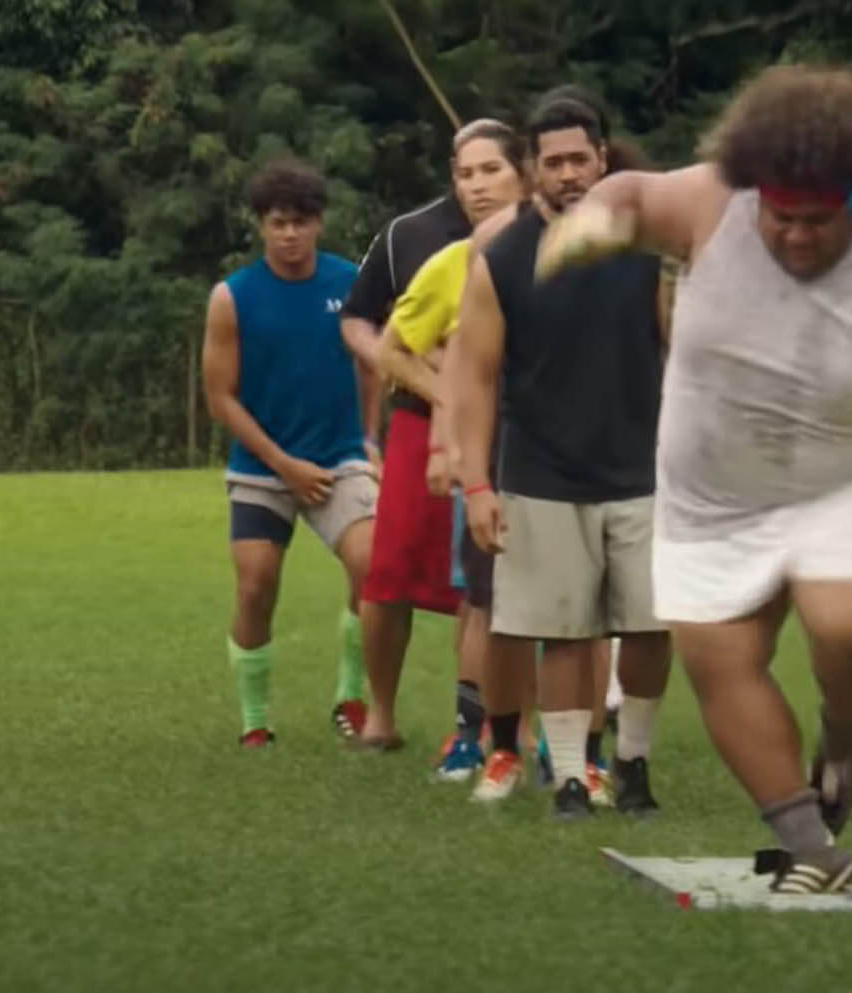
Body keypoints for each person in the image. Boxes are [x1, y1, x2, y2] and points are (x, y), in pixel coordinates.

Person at [536, 63, 852, 892]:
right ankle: (810, 843)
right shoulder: (712, 203)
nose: (795, 236)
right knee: (719, 657)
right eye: (780, 216)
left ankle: (843, 740)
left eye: (818, 220)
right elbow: (632, 194)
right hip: (713, 490)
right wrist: (595, 220)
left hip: (846, 480)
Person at [449, 90, 675, 819]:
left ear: (603, 159)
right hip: (542, 474)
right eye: (554, 162)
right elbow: (474, 378)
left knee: (649, 629)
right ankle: (572, 778)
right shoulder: (503, 259)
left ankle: (632, 764)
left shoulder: (647, 247)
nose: (570, 173)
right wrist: (476, 484)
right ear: (532, 169)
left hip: (642, 471)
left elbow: (682, 350)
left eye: (581, 158)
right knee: (564, 634)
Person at [367, 118, 532, 777]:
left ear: (524, 172)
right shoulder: (453, 262)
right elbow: (391, 350)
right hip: (488, 454)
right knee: (483, 596)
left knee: (563, 603)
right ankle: (473, 735)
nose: (477, 186)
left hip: (563, 452)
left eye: (491, 170)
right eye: (465, 175)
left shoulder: (566, 248)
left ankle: (564, 746)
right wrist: (455, 400)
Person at [202, 158, 377, 749]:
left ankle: (350, 697)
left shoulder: (351, 283)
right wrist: (284, 466)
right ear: (261, 226)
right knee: (255, 585)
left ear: (319, 223)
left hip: (339, 459)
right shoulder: (232, 297)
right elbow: (220, 399)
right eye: (278, 223)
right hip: (262, 468)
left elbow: (372, 366)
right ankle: (255, 720)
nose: (290, 234)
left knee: (372, 568)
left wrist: (370, 440)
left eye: (301, 222)